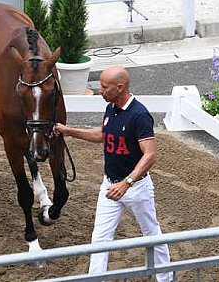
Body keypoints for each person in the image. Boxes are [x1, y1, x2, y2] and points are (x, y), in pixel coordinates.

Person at [54, 65, 173, 282]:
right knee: (100, 238)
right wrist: (70, 131)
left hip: (136, 188)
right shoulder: (111, 108)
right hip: (110, 187)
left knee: (151, 234)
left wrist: (126, 183)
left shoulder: (140, 115)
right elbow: (103, 134)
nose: (100, 90)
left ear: (120, 88)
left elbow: (150, 155)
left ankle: (166, 278)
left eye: (104, 87)